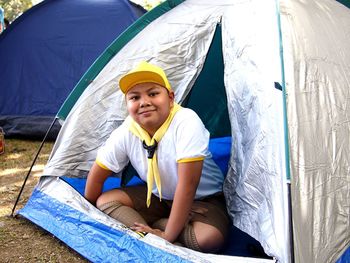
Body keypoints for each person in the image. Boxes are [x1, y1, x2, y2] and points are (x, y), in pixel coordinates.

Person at [85, 61, 230, 252]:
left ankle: (161, 228)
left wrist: (167, 235)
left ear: (170, 98)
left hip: (202, 200)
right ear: (127, 105)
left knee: (208, 239)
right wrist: (89, 209)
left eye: (153, 94)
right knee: (105, 201)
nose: (144, 102)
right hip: (158, 197)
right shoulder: (127, 129)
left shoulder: (186, 121)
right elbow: (98, 174)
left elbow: (188, 186)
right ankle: (152, 231)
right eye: (134, 97)